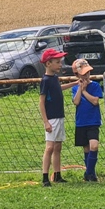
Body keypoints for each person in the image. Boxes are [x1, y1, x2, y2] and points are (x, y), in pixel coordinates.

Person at [39, 49, 78, 186]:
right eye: (57, 62)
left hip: (59, 116)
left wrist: (74, 83)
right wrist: (46, 122)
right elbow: (41, 102)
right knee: (49, 147)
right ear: (48, 63)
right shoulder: (45, 80)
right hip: (52, 119)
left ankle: (57, 175)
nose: (60, 65)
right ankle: (45, 177)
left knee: (57, 147)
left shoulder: (54, 78)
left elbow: (58, 89)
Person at [71, 59, 103, 182]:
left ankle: (88, 172)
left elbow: (95, 101)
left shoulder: (95, 86)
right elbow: (76, 102)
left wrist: (84, 90)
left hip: (93, 121)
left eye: (88, 72)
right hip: (81, 122)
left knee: (94, 146)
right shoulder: (75, 88)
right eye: (83, 74)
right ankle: (91, 175)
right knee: (86, 148)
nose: (86, 75)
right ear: (77, 75)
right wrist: (80, 89)